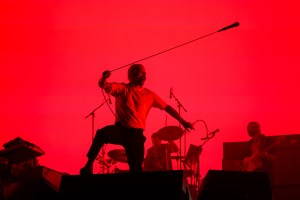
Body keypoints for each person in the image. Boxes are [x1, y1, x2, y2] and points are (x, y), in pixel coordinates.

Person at [80, 63, 194, 175]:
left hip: (137, 136)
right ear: (132, 75)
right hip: (121, 131)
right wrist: (103, 78)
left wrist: (183, 121)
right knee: (101, 134)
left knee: (136, 170)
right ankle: (89, 164)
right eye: (141, 73)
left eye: (145, 74)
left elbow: (167, 108)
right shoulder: (122, 89)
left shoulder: (149, 95)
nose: (144, 76)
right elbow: (104, 85)